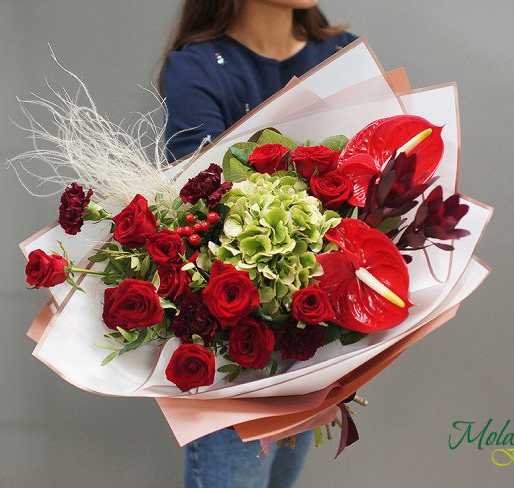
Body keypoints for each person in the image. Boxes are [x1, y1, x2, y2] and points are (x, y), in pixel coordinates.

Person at [158, 1, 356, 486]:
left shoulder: (342, 56)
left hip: (316, 337)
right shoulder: (197, 69)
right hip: (236, 346)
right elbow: (201, 209)